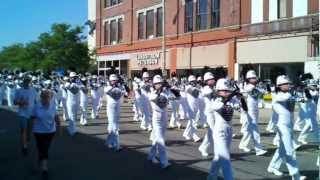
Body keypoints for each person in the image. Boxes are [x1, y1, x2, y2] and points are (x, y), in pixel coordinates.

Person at [267, 75, 306, 180]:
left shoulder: (288, 94)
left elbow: (299, 100)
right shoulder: (276, 95)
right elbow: (286, 97)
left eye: (288, 83)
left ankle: (272, 166)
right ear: (279, 86)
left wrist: (301, 95)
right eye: (285, 84)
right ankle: (295, 175)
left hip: (289, 124)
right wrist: (294, 92)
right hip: (282, 126)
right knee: (290, 150)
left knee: (282, 149)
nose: (288, 85)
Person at [207, 78, 244, 180]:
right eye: (224, 90)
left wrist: (241, 98)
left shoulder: (232, 100)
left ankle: (211, 177)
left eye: (228, 90)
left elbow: (244, 110)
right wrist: (232, 95)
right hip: (219, 132)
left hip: (228, 131)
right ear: (218, 90)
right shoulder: (214, 100)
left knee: (218, 157)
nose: (226, 92)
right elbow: (218, 107)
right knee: (226, 159)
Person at [31, 89, 60, 177]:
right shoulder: (36, 106)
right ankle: (41, 161)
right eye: (44, 97)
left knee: (45, 148)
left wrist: (59, 127)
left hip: (50, 131)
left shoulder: (53, 106)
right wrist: (29, 130)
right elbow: (32, 118)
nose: (45, 99)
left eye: (47, 97)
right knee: (41, 148)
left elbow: (56, 117)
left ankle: (44, 168)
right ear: (41, 98)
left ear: (50, 98)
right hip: (38, 131)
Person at [238, 70, 267, 156]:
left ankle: (242, 144)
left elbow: (264, 94)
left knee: (249, 129)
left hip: (255, 109)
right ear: (248, 79)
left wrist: (264, 88)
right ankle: (258, 148)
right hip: (249, 111)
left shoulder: (256, 87)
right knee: (254, 129)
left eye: (255, 77)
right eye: (252, 78)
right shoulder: (248, 87)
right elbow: (253, 91)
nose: (255, 79)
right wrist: (261, 89)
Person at [148, 75, 171, 169]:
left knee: (157, 139)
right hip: (156, 117)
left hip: (164, 116)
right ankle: (164, 161)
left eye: (160, 83)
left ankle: (151, 155)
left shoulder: (166, 92)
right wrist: (162, 91)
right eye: (156, 84)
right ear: (153, 85)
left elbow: (178, 96)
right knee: (161, 140)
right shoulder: (151, 94)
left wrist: (170, 87)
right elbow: (158, 99)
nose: (159, 85)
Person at [14, 75, 38, 156]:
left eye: (28, 80)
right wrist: (20, 102)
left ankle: (26, 142)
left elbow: (36, 102)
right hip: (22, 113)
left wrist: (36, 113)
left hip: (31, 113)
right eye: (25, 80)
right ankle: (24, 147)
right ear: (23, 81)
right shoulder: (18, 90)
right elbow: (15, 102)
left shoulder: (33, 90)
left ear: (30, 81)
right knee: (23, 130)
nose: (27, 82)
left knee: (29, 132)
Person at [104, 74, 125, 151]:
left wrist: (121, 85)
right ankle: (117, 144)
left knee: (113, 125)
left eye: (115, 80)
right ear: (109, 81)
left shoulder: (120, 87)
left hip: (118, 107)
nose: (114, 82)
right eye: (112, 80)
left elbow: (124, 93)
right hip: (110, 108)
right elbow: (107, 91)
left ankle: (109, 142)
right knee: (114, 125)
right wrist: (113, 86)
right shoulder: (107, 87)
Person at [198, 72, 215, 157]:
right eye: (210, 80)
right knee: (212, 130)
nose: (212, 81)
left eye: (213, 79)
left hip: (215, 112)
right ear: (206, 81)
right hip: (209, 112)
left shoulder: (213, 88)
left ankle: (203, 147)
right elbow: (209, 93)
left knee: (211, 131)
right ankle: (204, 148)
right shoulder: (205, 88)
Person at [183, 75, 201, 142]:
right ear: (189, 82)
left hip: (195, 107)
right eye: (192, 81)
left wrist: (199, 88)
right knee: (193, 121)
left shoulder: (195, 87)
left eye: (194, 81)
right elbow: (195, 94)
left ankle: (185, 133)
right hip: (190, 108)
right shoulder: (188, 88)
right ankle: (194, 135)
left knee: (191, 121)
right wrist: (199, 89)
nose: (193, 83)